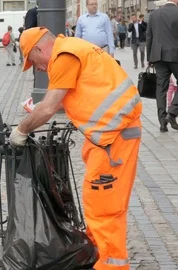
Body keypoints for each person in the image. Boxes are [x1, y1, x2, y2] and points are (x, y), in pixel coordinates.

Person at [11, 27, 142, 270]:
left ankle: (111, 265)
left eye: (33, 61)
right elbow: (74, 96)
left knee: (105, 208)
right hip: (109, 138)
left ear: (40, 48)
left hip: (113, 139)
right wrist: (40, 108)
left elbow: (50, 107)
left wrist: (21, 130)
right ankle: (97, 253)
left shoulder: (64, 56)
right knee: (99, 202)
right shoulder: (73, 47)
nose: (38, 68)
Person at [147, 0, 178, 132]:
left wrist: (150, 57)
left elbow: (149, 36)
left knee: (161, 88)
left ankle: (162, 122)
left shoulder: (154, 14)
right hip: (176, 55)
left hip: (158, 56)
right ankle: (171, 114)